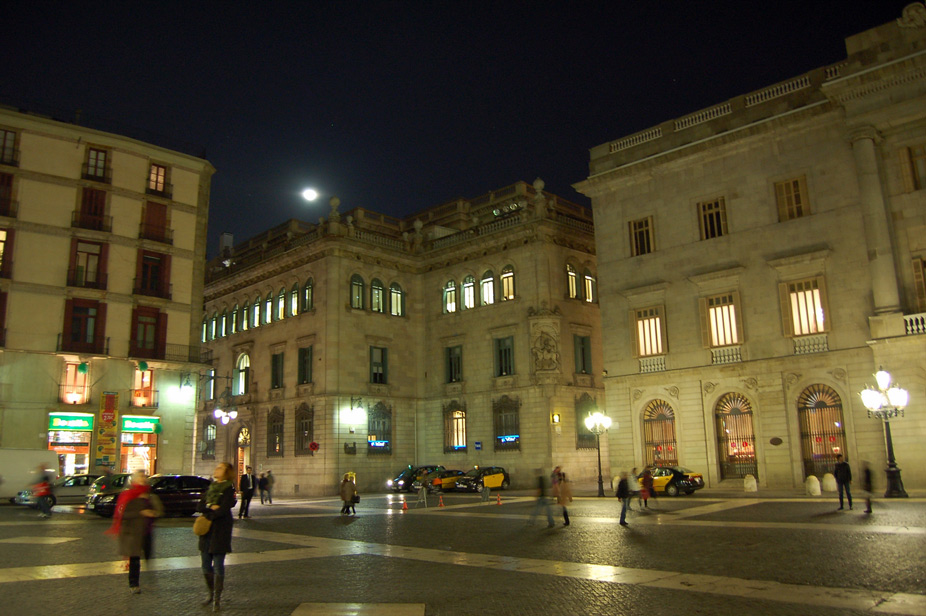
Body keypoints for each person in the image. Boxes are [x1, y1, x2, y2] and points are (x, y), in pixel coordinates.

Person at [106, 471, 163, 593]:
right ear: (135, 480)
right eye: (141, 476)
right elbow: (123, 514)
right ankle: (134, 584)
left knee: (148, 556)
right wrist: (141, 513)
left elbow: (159, 510)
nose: (143, 478)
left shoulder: (149, 494)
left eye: (144, 476)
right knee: (135, 559)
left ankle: (149, 579)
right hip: (131, 533)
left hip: (146, 531)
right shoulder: (128, 495)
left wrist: (154, 512)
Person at [197, 462, 237, 611]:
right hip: (206, 531)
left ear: (226, 472)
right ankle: (210, 593)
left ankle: (217, 598)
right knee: (205, 565)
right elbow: (199, 506)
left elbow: (224, 509)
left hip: (221, 531)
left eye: (220, 468)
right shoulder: (210, 488)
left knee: (218, 565)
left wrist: (211, 512)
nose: (216, 469)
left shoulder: (228, 489)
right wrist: (210, 507)